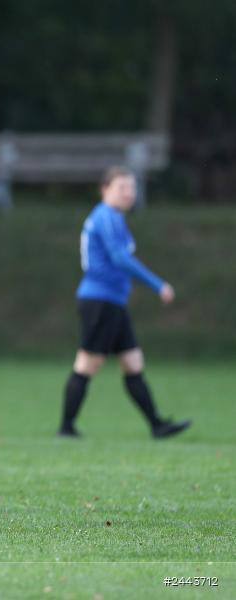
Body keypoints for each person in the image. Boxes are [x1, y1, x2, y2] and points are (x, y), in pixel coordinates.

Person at [59, 166, 191, 439]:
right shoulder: (105, 216)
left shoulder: (114, 218)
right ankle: (66, 428)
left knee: (133, 362)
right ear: (104, 189)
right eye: (122, 187)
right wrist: (158, 285)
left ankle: (157, 425)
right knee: (87, 364)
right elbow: (120, 258)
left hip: (113, 303)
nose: (129, 193)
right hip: (100, 302)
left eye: (132, 188)